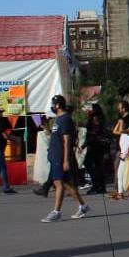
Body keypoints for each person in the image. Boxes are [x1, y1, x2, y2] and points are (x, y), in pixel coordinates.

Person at [41, 95, 90, 223]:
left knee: (58, 183)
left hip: (60, 157)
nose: (52, 107)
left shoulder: (65, 120)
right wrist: (46, 128)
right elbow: (57, 137)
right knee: (67, 184)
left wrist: (66, 160)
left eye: (53, 104)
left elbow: (66, 141)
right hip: (55, 156)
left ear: (57, 105)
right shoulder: (59, 119)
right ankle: (83, 206)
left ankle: (56, 211)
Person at [83, 104, 109, 194]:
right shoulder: (101, 118)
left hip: (94, 145)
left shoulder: (94, 118)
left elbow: (94, 133)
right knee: (98, 166)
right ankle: (100, 186)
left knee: (88, 163)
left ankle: (96, 184)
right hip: (99, 145)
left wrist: (84, 144)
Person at [110, 101, 129, 200]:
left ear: (124, 108)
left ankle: (125, 191)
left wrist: (120, 123)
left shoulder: (128, 120)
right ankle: (120, 192)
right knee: (120, 172)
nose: (119, 110)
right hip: (124, 150)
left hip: (127, 150)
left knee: (125, 172)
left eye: (120, 108)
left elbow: (117, 131)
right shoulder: (124, 119)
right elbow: (116, 132)